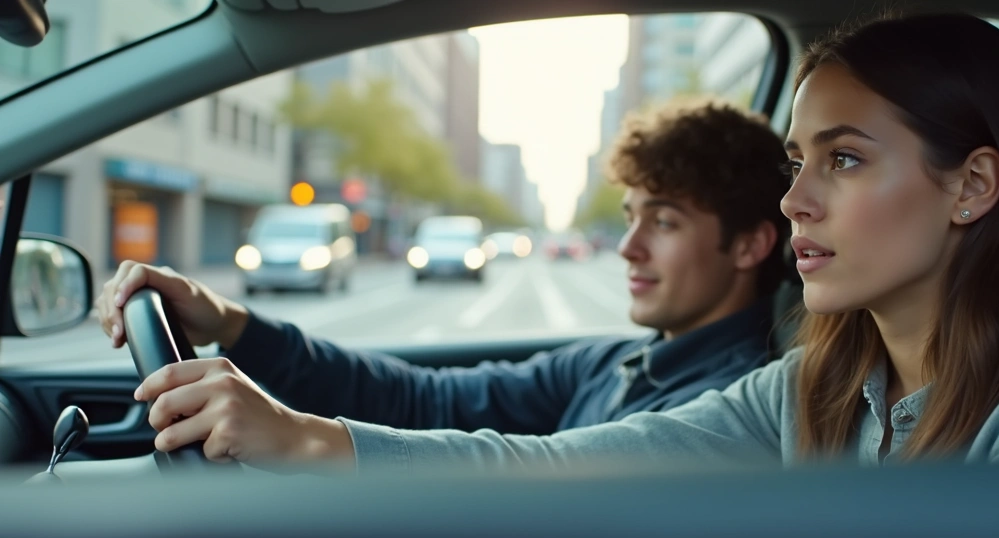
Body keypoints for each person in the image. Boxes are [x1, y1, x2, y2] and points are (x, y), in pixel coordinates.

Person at [102, 13, 999, 470]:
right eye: (796, 164)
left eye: (847, 160)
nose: (796, 206)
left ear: (971, 187)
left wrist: (304, 438)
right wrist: (289, 416)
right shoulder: (815, 389)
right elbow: (536, 464)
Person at [96, 99, 792, 457]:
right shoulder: (617, 364)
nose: (628, 248)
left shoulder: (732, 406)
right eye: (632, 217)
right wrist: (232, 324)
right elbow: (424, 398)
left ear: (751, 244)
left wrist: (299, 437)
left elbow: (531, 478)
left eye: (664, 223)